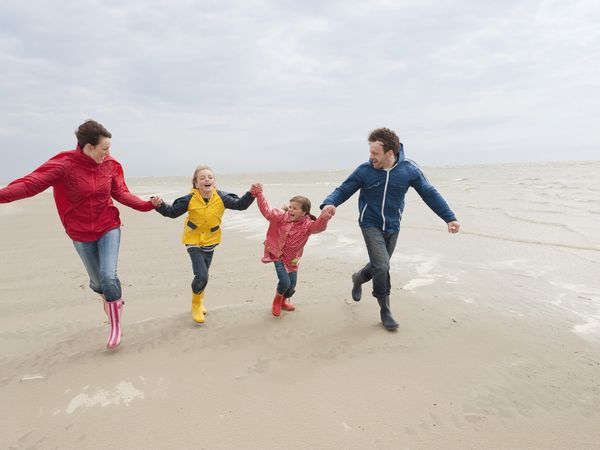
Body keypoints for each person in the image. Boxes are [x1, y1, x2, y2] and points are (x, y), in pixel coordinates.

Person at [0, 119, 158, 348]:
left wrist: (146, 205)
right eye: (104, 148)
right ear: (89, 146)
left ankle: (115, 326)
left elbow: (121, 192)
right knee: (98, 283)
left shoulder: (111, 165)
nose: (108, 153)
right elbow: (30, 184)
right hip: (79, 232)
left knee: (109, 276)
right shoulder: (64, 164)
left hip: (108, 226)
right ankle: (108, 297)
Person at [320, 127, 460, 331]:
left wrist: (449, 217)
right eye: (370, 152)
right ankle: (385, 309)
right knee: (383, 266)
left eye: (375, 153)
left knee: (379, 265)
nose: (371, 157)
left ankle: (358, 277)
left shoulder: (409, 169)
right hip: (370, 224)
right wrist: (329, 203)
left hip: (393, 226)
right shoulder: (364, 171)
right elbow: (344, 189)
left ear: (390, 153)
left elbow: (429, 193)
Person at [151, 166, 256, 323]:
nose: (207, 179)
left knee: (204, 274)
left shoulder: (222, 197)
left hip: (211, 240)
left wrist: (251, 194)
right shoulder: (189, 199)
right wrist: (159, 205)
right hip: (193, 240)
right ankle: (195, 305)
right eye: (202, 178)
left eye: (210, 177)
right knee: (202, 275)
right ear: (196, 183)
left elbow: (240, 205)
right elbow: (172, 212)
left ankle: (200, 301)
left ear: (214, 181)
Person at [251, 184, 335, 317]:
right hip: (277, 254)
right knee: (284, 282)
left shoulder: (308, 225)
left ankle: (284, 300)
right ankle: (277, 301)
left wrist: (324, 218)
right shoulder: (281, 217)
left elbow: (319, 227)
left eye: (295, 208)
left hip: (293, 259)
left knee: (291, 287)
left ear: (304, 212)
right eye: (290, 207)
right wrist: (259, 194)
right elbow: (266, 211)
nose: (290, 210)